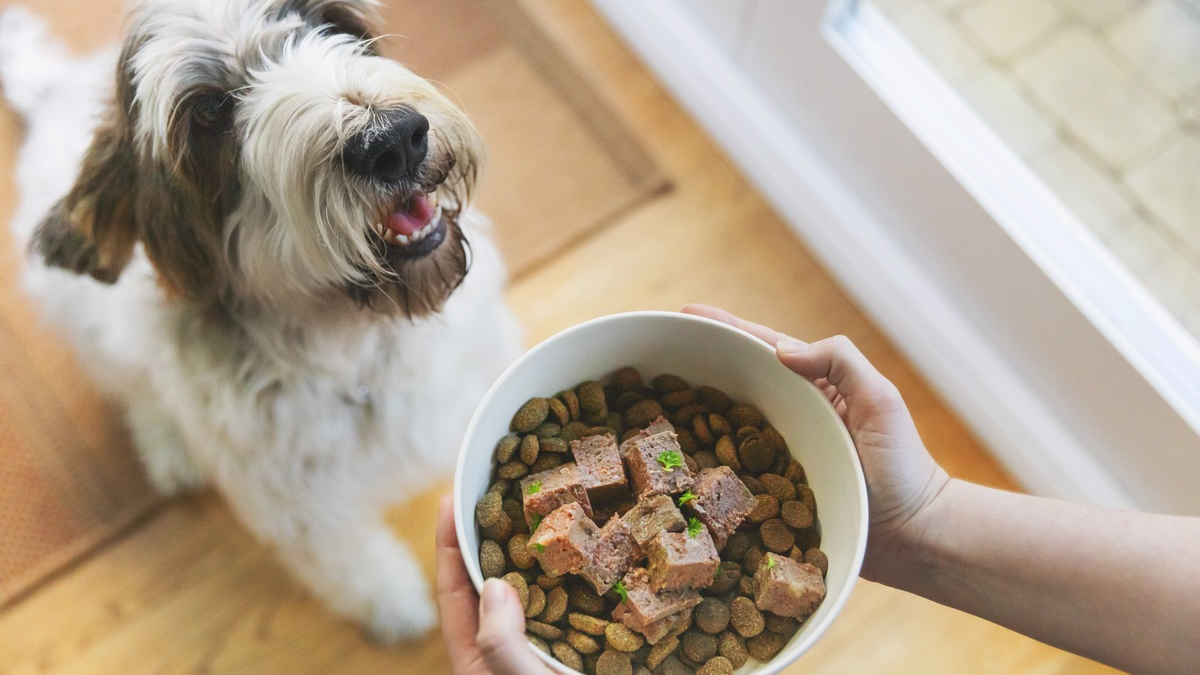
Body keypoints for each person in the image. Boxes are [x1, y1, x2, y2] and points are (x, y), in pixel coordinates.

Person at [436, 304, 1200, 675]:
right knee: (659, 482)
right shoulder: (628, 482)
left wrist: (908, 515)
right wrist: (920, 514)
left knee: (670, 486)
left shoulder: (717, 506)